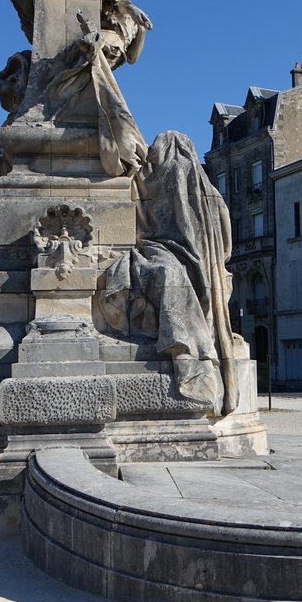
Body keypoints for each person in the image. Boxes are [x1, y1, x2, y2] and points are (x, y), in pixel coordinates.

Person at [98, 132, 245, 414]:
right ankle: (197, 360)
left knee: (170, 276)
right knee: (172, 277)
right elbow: (225, 227)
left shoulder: (145, 179)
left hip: (164, 252)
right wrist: (219, 258)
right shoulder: (199, 181)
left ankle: (191, 357)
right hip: (202, 262)